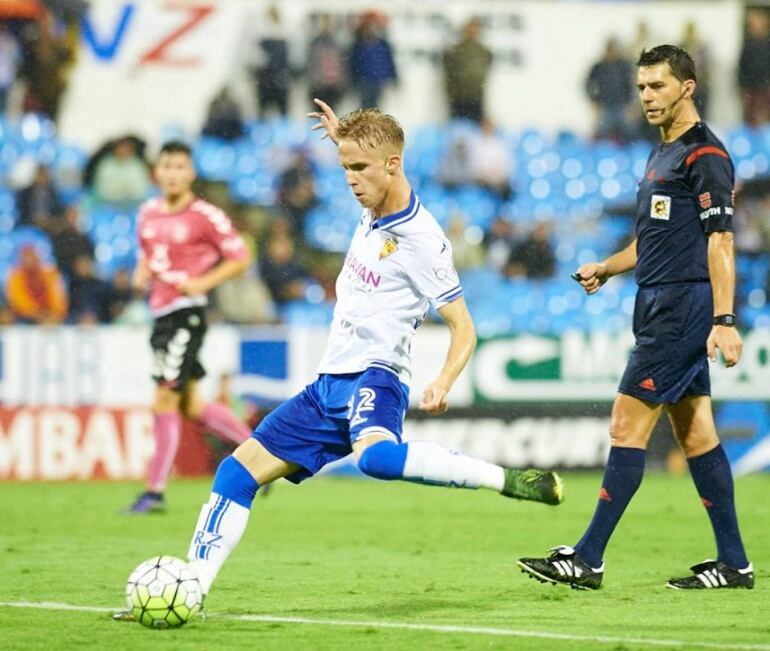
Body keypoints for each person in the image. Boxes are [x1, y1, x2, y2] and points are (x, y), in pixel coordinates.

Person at [162, 103, 561, 604]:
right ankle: (190, 589)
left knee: (374, 458)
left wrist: (443, 380)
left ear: (394, 165)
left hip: (378, 374)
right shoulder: (372, 208)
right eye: (344, 168)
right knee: (235, 473)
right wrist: (342, 138)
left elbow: (464, 328)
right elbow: (365, 156)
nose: (350, 180)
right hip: (329, 382)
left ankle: (502, 479)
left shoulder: (423, 241)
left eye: (359, 169)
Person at [518, 45, 753, 590]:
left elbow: (721, 240)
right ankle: (735, 563)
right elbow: (655, 242)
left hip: (682, 309)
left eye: (658, 86)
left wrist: (724, 318)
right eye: (643, 87)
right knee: (696, 434)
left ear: (687, 87)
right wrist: (608, 266)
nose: (647, 96)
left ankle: (588, 557)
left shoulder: (704, 156)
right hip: (658, 301)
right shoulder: (661, 155)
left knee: (626, 423)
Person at [124, 141, 254, 514]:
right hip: (161, 315)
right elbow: (146, 252)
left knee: (163, 397)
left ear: (191, 173)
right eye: (167, 166)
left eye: (180, 166)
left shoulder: (205, 216)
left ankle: (154, 493)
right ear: (157, 172)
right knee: (193, 404)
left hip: (187, 314)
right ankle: (259, 454)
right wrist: (141, 270)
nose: (173, 173)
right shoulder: (147, 212)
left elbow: (240, 257)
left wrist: (201, 283)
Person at [442, 17, 492, 123]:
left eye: (475, 28)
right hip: (459, 97)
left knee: (475, 130)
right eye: (470, 28)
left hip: (476, 96)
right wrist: (451, 93)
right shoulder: (457, 50)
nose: (472, 31)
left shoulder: (483, 51)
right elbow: (449, 73)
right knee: (457, 129)